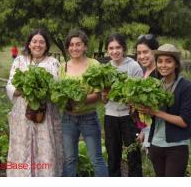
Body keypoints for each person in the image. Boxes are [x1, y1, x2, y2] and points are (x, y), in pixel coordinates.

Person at [6, 28, 63, 177]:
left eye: (42, 42)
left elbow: (56, 88)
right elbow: (11, 85)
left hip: (46, 112)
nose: (38, 45)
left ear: (46, 45)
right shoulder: (19, 60)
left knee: (46, 146)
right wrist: (27, 90)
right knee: (22, 145)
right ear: (29, 44)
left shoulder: (53, 63)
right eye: (35, 41)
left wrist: (42, 92)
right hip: (22, 113)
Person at [60, 29, 108, 177]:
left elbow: (99, 94)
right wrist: (63, 99)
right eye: (72, 45)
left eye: (78, 44)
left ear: (85, 46)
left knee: (96, 159)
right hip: (68, 118)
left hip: (88, 117)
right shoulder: (64, 66)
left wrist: (80, 99)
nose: (75, 48)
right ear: (68, 48)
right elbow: (59, 91)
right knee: (69, 159)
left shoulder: (94, 65)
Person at [137, 44, 191, 177]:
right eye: (160, 61)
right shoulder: (155, 85)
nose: (163, 65)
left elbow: (184, 121)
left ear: (176, 64)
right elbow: (147, 116)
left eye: (168, 61)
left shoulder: (186, 87)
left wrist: (155, 112)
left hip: (176, 146)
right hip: (155, 144)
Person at [102, 34, 143, 177]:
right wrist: (105, 95)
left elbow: (139, 97)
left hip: (129, 117)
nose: (115, 51)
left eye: (118, 47)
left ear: (123, 48)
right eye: (111, 48)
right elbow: (104, 101)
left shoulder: (134, 67)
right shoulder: (106, 68)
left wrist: (129, 98)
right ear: (107, 50)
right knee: (113, 155)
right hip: (110, 116)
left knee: (133, 156)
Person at [135, 34, 161, 149]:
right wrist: (142, 130)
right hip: (147, 127)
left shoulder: (159, 74)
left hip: (158, 130)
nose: (141, 56)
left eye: (145, 52)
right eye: (139, 53)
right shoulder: (144, 71)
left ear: (154, 52)